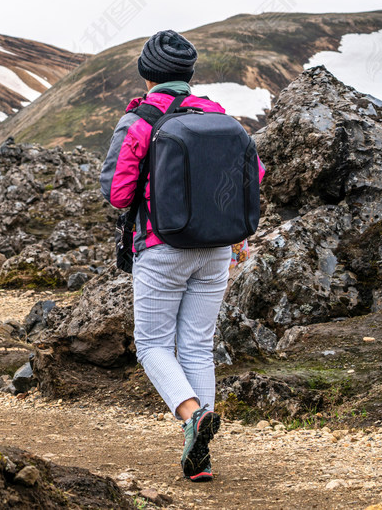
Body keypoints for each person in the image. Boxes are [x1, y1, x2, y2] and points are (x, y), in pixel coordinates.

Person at [99, 29, 263, 482]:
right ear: (189, 74)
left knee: (152, 345)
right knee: (195, 346)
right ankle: (201, 457)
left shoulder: (141, 120)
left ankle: (192, 416)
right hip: (216, 251)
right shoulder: (219, 117)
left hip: (161, 247)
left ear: (147, 73)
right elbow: (256, 174)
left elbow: (117, 193)